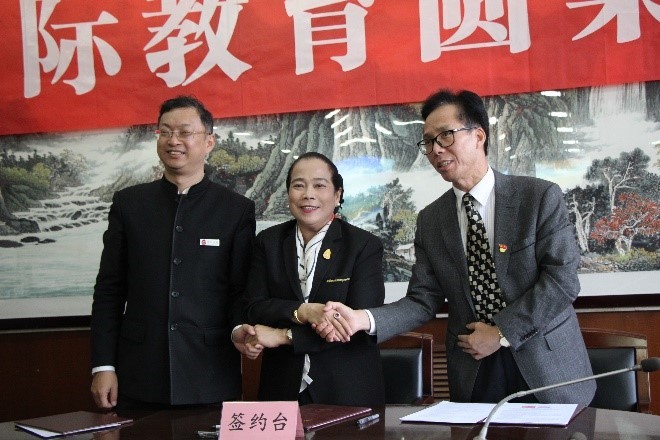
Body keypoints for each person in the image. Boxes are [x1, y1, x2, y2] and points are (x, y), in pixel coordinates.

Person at [317, 90, 596, 405]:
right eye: (428, 142)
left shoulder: (537, 197)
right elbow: (423, 301)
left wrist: (501, 332)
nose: (436, 150)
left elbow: (562, 280)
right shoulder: (431, 220)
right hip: (475, 366)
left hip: (545, 364)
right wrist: (360, 319)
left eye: (446, 136)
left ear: (478, 136)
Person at [90, 95, 259, 410]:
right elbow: (109, 290)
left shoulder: (236, 210)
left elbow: (241, 291)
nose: (173, 141)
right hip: (137, 373)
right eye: (165, 132)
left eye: (185, 132)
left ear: (209, 142)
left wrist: (240, 329)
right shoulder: (129, 204)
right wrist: (103, 366)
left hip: (210, 374)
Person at [241, 152, 386, 407]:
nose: (308, 194)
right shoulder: (268, 242)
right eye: (299, 185)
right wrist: (302, 311)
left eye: (319, 185)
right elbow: (254, 307)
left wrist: (283, 335)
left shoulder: (364, 246)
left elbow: (354, 325)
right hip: (281, 388)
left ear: (337, 195)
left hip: (346, 389)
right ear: (288, 195)